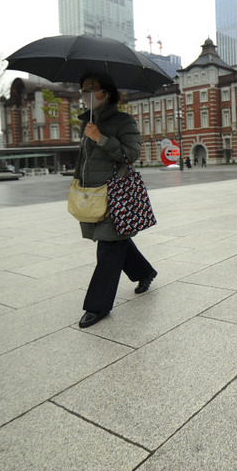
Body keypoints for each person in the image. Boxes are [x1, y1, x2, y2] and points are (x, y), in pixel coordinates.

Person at [74, 71, 157, 329]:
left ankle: (97, 306)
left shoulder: (123, 121)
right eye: (83, 89)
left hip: (115, 192)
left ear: (106, 92)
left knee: (109, 246)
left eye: (91, 88)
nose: (86, 94)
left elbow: (131, 154)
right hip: (93, 193)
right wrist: (78, 181)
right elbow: (84, 159)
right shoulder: (86, 122)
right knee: (116, 239)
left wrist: (101, 138)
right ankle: (144, 272)